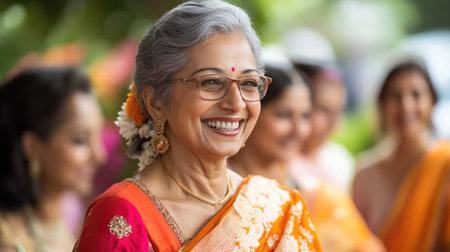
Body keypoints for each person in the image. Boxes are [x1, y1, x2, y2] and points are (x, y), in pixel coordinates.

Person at [73, 1, 322, 251]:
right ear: (156, 101)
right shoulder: (123, 215)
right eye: (211, 82)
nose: (236, 103)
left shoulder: (280, 209)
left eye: (248, 83)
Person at [230, 65, 385, 252]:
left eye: (304, 116)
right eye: (284, 115)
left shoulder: (322, 200)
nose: (298, 130)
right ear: (251, 113)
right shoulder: (217, 197)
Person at [0, 66, 106, 252]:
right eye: (80, 140)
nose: (100, 156)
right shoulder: (7, 238)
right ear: (33, 147)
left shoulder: (67, 235)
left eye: (99, 137)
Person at [353, 60, 450, 251]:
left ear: (432, 101)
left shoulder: (444, 163)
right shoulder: (365, 173)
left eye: (416, 94)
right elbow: (355, 242)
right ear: (382, 104)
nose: (406, 105)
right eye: (395, 96)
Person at [292, 63, 355, 192]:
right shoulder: (282, 164)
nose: (333, 123)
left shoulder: (340, 160)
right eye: (324, 110)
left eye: (338, 111)